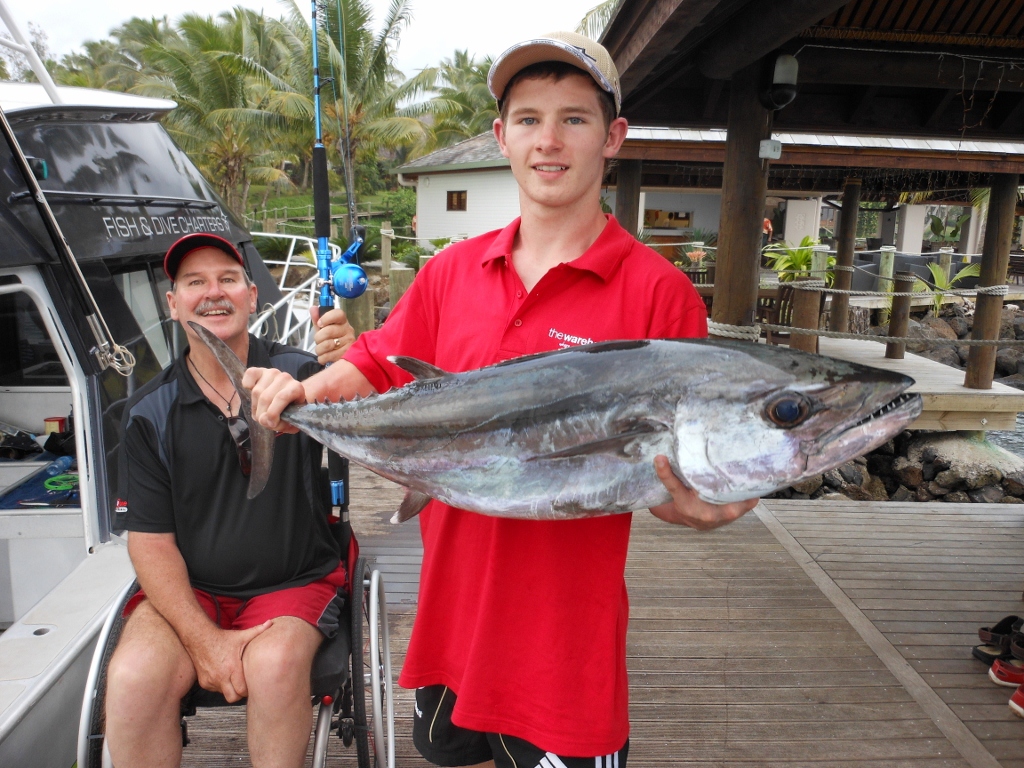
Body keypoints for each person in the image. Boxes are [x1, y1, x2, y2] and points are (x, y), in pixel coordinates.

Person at [245, 31, 758, 768]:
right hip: (451, 622)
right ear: (501, 135)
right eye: (528, 119)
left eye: (574, 119)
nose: (549, 141)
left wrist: (702, 509)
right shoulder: (453, 270)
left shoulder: (658, 294)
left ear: (613, 137)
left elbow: (666, 486)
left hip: (563, 651)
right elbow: (371, 361)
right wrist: (301, 395)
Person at [105, 232, 355, 768]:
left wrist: (349, 360)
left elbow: (365, 403)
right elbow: (150, 543)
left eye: (227, 279)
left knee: (274, 667)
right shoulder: (149, 412)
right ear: (172, 305)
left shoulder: (303, 377)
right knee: (132, 677)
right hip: (191, 593)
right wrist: (204, 641)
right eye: (194, 282)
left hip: (294, 582)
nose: (213, 293)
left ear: (251, 295)